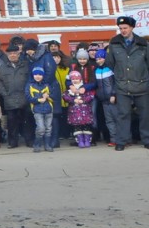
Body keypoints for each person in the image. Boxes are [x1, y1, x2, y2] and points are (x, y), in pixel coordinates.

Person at [104, 16, 149, 151]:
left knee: (145, 114)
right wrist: (120, 74)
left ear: (132, 28)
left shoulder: (143, 44)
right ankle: (121, 141)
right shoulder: (114, 43)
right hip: (122, 85)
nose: (123, 30)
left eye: (125, 28)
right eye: (121, 28)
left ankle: (146, 140)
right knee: (123, 114)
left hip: (142, 84)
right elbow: (110, 63)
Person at [0, 44, 33, 149]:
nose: (13, 55)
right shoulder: (1, 68)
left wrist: (28, 93)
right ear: (7, 54)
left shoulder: (26, 65)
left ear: (18, 54)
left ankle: (29, 141)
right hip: (9, 98)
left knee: (27, 121)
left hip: (25, 98)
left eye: (15, 53)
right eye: (10, 53)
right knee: (12, 123)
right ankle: (12, 142)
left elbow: (30, 80)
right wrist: (4, 93)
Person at [93, 50, 119, 147]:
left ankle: (123, 138)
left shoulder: (110, 68)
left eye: (100, 58)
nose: (99, 61)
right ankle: (113, 139)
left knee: (118, 119)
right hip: (104, 100)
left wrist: (113, 94)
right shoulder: (96, 70)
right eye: (97, 59)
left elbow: (116, 82)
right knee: (109, 121)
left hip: (112, 98)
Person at [63, 71, 95, 147]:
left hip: (85, 112)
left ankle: (87, 140)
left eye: (77, 78)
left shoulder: (84, 88)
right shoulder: (70, 90)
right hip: (75, 113)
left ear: (80, 79)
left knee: (86, 127)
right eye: (73, 79)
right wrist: (73, 100)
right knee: (77, 128)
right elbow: (65, 96)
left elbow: (91, 96)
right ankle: (80, 140)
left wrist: (83, 100)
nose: (75, 80)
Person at [26, 66, 54, 153]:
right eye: (36, 74)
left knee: (48, 128)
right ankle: (37, 144)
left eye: (40, 74)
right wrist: (38, 100)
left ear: (43, 75)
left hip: (48, 110)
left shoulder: (47, 85)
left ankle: (47, 145)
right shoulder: (29, 85)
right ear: (33, 75)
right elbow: (28, 97)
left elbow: (54, 98)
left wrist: (48, 97)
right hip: (37, 110)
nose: (38, 76)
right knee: (41, 128)